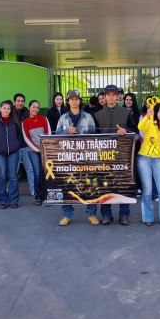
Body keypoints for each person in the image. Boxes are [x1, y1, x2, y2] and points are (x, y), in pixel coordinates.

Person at [94, 84, 137, 225]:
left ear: (118, 96)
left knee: (123, 185)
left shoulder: (125, 112)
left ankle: (124, 215)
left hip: (122, 156)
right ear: (105, 97)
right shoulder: (98, 115)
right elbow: (94, 136)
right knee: (104, 186)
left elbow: (135, 131)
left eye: (114, 94)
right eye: (108, 94)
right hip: (104, 157)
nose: (111, 97)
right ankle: (106, 215)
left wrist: (126, 131)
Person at [56, 90, 98, 226]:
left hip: (86, 157)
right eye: (71, 99)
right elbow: (56, 136)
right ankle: (67, 215)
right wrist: (66, 131)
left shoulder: (88, 117)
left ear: (80, 101)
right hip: (68, 157)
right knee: (67, 185)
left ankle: (91, 214)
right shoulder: (63, 118)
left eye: (76, 99)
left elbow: (95, 136)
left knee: (90, 184)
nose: (74, 101)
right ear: (68, 101)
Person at [138, 104, 160, 226]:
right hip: (144, 158)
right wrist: (148, 115)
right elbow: (140, 126)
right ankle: (148, 218)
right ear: (156, 113)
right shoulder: (150, 122)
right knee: (147, 189)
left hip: (159, 160)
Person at [0, 100, 23, 209]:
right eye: (4, 108)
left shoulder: (15, 121)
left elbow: (20, 135)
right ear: (0, 108)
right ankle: (2, 200)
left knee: (12, 176)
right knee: (2, 175)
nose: (6, 110)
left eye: (8, 108)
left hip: (13, 152)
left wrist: (17, 145)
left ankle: (13, 200)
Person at [22, 99, 51, 205]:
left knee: (46, 173)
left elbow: (48, 133)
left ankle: (47, 196)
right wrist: (36, 149)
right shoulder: (25, 122)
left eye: (37, 107)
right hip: (32, 151)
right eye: (33, 107)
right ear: (29, 108)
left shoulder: (44, 119)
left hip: (45, 150)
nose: (35, 109)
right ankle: (38, 197)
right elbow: (26, 137)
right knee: (37, 173)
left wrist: (44, 148)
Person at [14, 92, 35, 197]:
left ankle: (33, 190)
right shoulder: (10, 111)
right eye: (18, 101)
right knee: (13, 170)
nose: (20, 103)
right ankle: (12, 191)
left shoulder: (28, 112)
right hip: (14, 146)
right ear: (15, 102)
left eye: (22, 101)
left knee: (30, 169)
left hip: (26, 145)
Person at [123, 92, 142, 196]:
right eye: (126, 100)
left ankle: (138, 186)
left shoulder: (138, 113)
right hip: (124, 143)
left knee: (136, 165)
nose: (128, 102)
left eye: (130, 100)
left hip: (136, 142)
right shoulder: (120, 111)